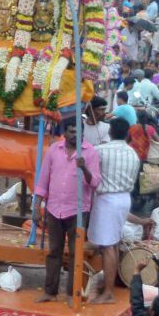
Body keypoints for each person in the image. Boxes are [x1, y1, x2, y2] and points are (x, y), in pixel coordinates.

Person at [33, 117, 101, 303]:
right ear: (65, 133)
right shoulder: (54, 149)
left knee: (75, 253)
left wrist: (84, 168)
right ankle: (50, 292)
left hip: (78, 211)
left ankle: (72, 293)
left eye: (79, 132)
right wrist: (36, 206)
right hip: (54, 209)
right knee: (54, 251)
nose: (75, 136)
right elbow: (43, 180)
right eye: (71, 132)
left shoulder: (90, 152)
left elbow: (95, 182)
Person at [88, 118, 139, 304]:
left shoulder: (100, 150)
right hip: (124, 199)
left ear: (109, 132)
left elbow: (91, 176)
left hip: (107, 200)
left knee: (108, 246)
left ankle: (109, 292)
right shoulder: (133, 154)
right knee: (113, 244)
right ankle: (108, 288)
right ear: (127, 134)